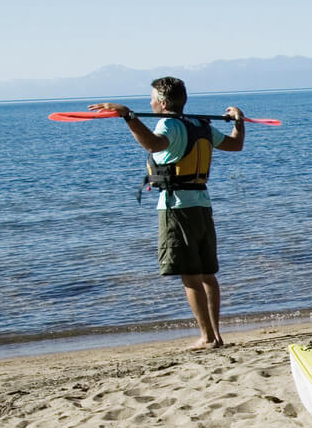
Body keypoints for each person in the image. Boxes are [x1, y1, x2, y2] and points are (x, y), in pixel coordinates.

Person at [90, 77, 245, 350]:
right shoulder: (201, 125)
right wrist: (238, 121)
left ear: (161, 103)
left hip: (177, 207)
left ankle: (207, 338)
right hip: (202, 205)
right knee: (208, 273)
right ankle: (216, 335)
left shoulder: (168, 124)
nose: (149, 102)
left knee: (190, 275)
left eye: (151, 98)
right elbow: (235, 144)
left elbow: (153, 144)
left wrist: (127, 116)